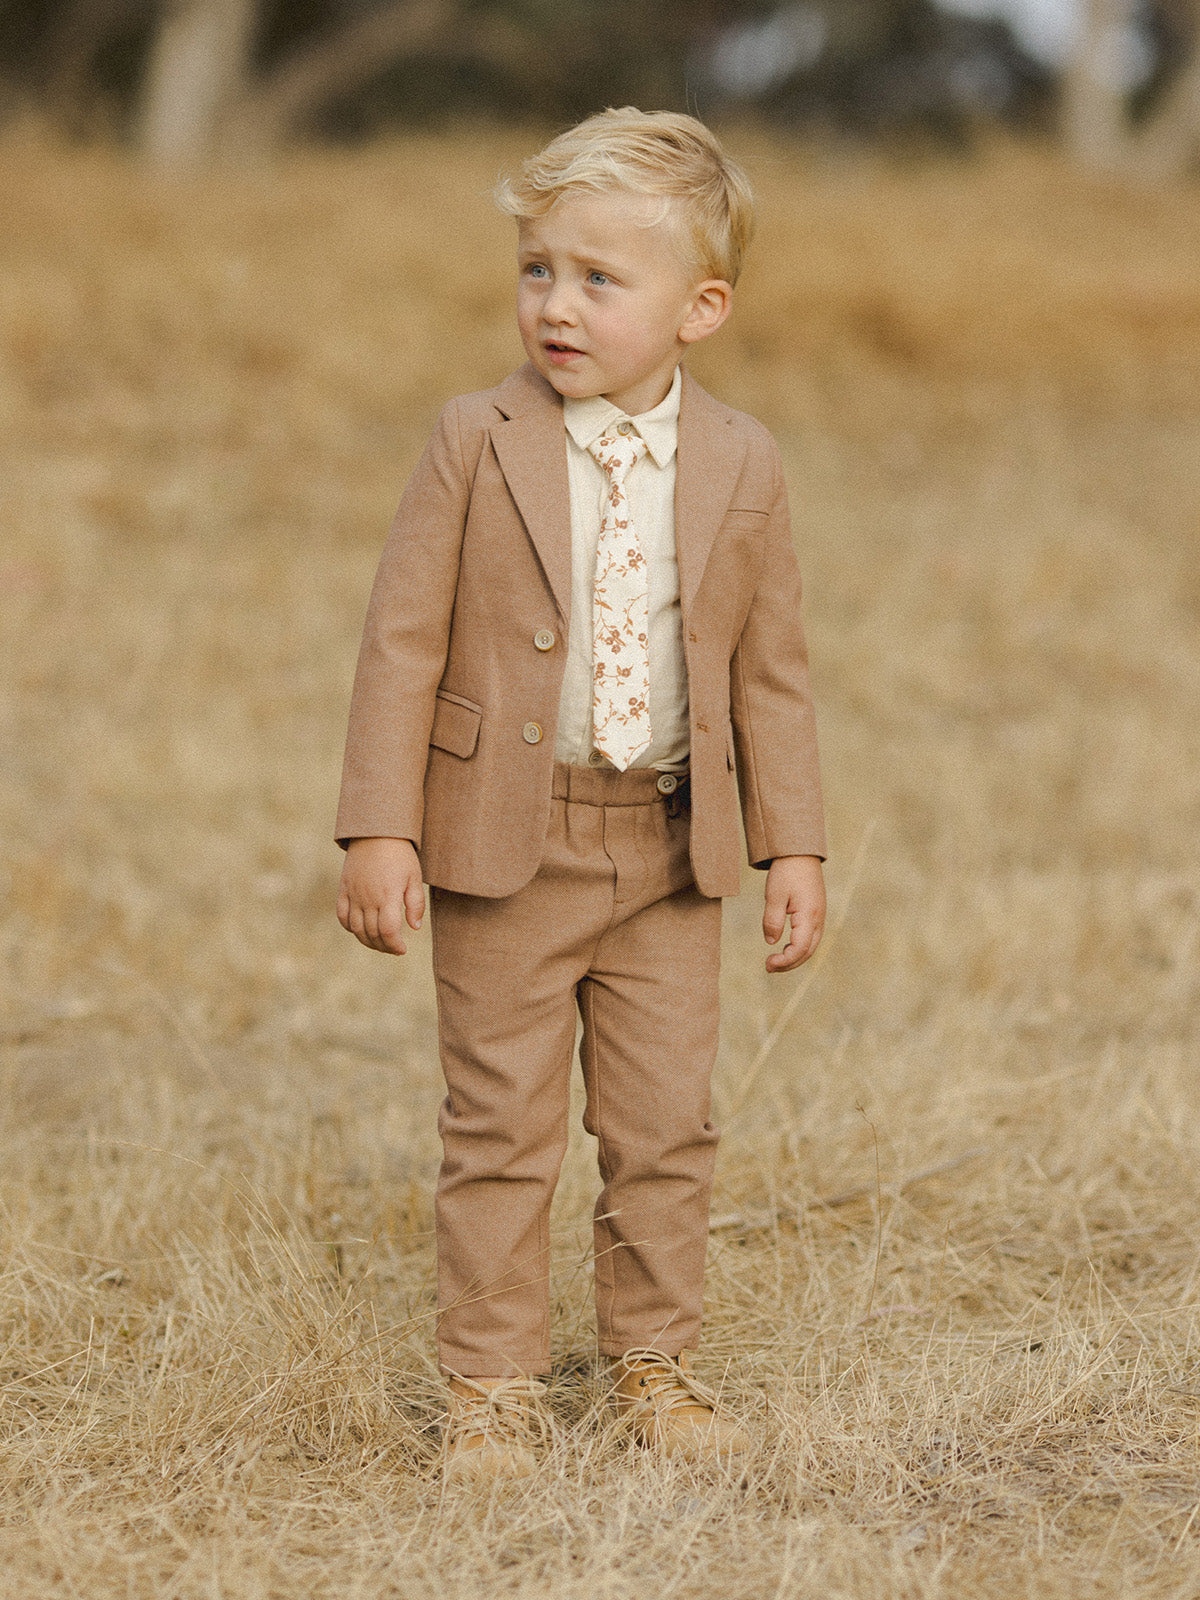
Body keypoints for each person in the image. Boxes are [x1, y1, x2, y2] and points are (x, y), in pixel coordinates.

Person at [334, 107, 826, 1481]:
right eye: (539, 268)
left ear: (700, 307)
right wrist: (379, 824)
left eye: (601, 280)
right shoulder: (473, 437)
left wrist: (797, 846)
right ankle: (491, 1381)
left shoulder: (744, 462)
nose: (557, 304)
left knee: (669, 1122)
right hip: (505, 838)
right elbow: (402, 639)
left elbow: (771, 672)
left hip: (671, 849)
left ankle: (651, 1363)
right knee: (499, 1123)